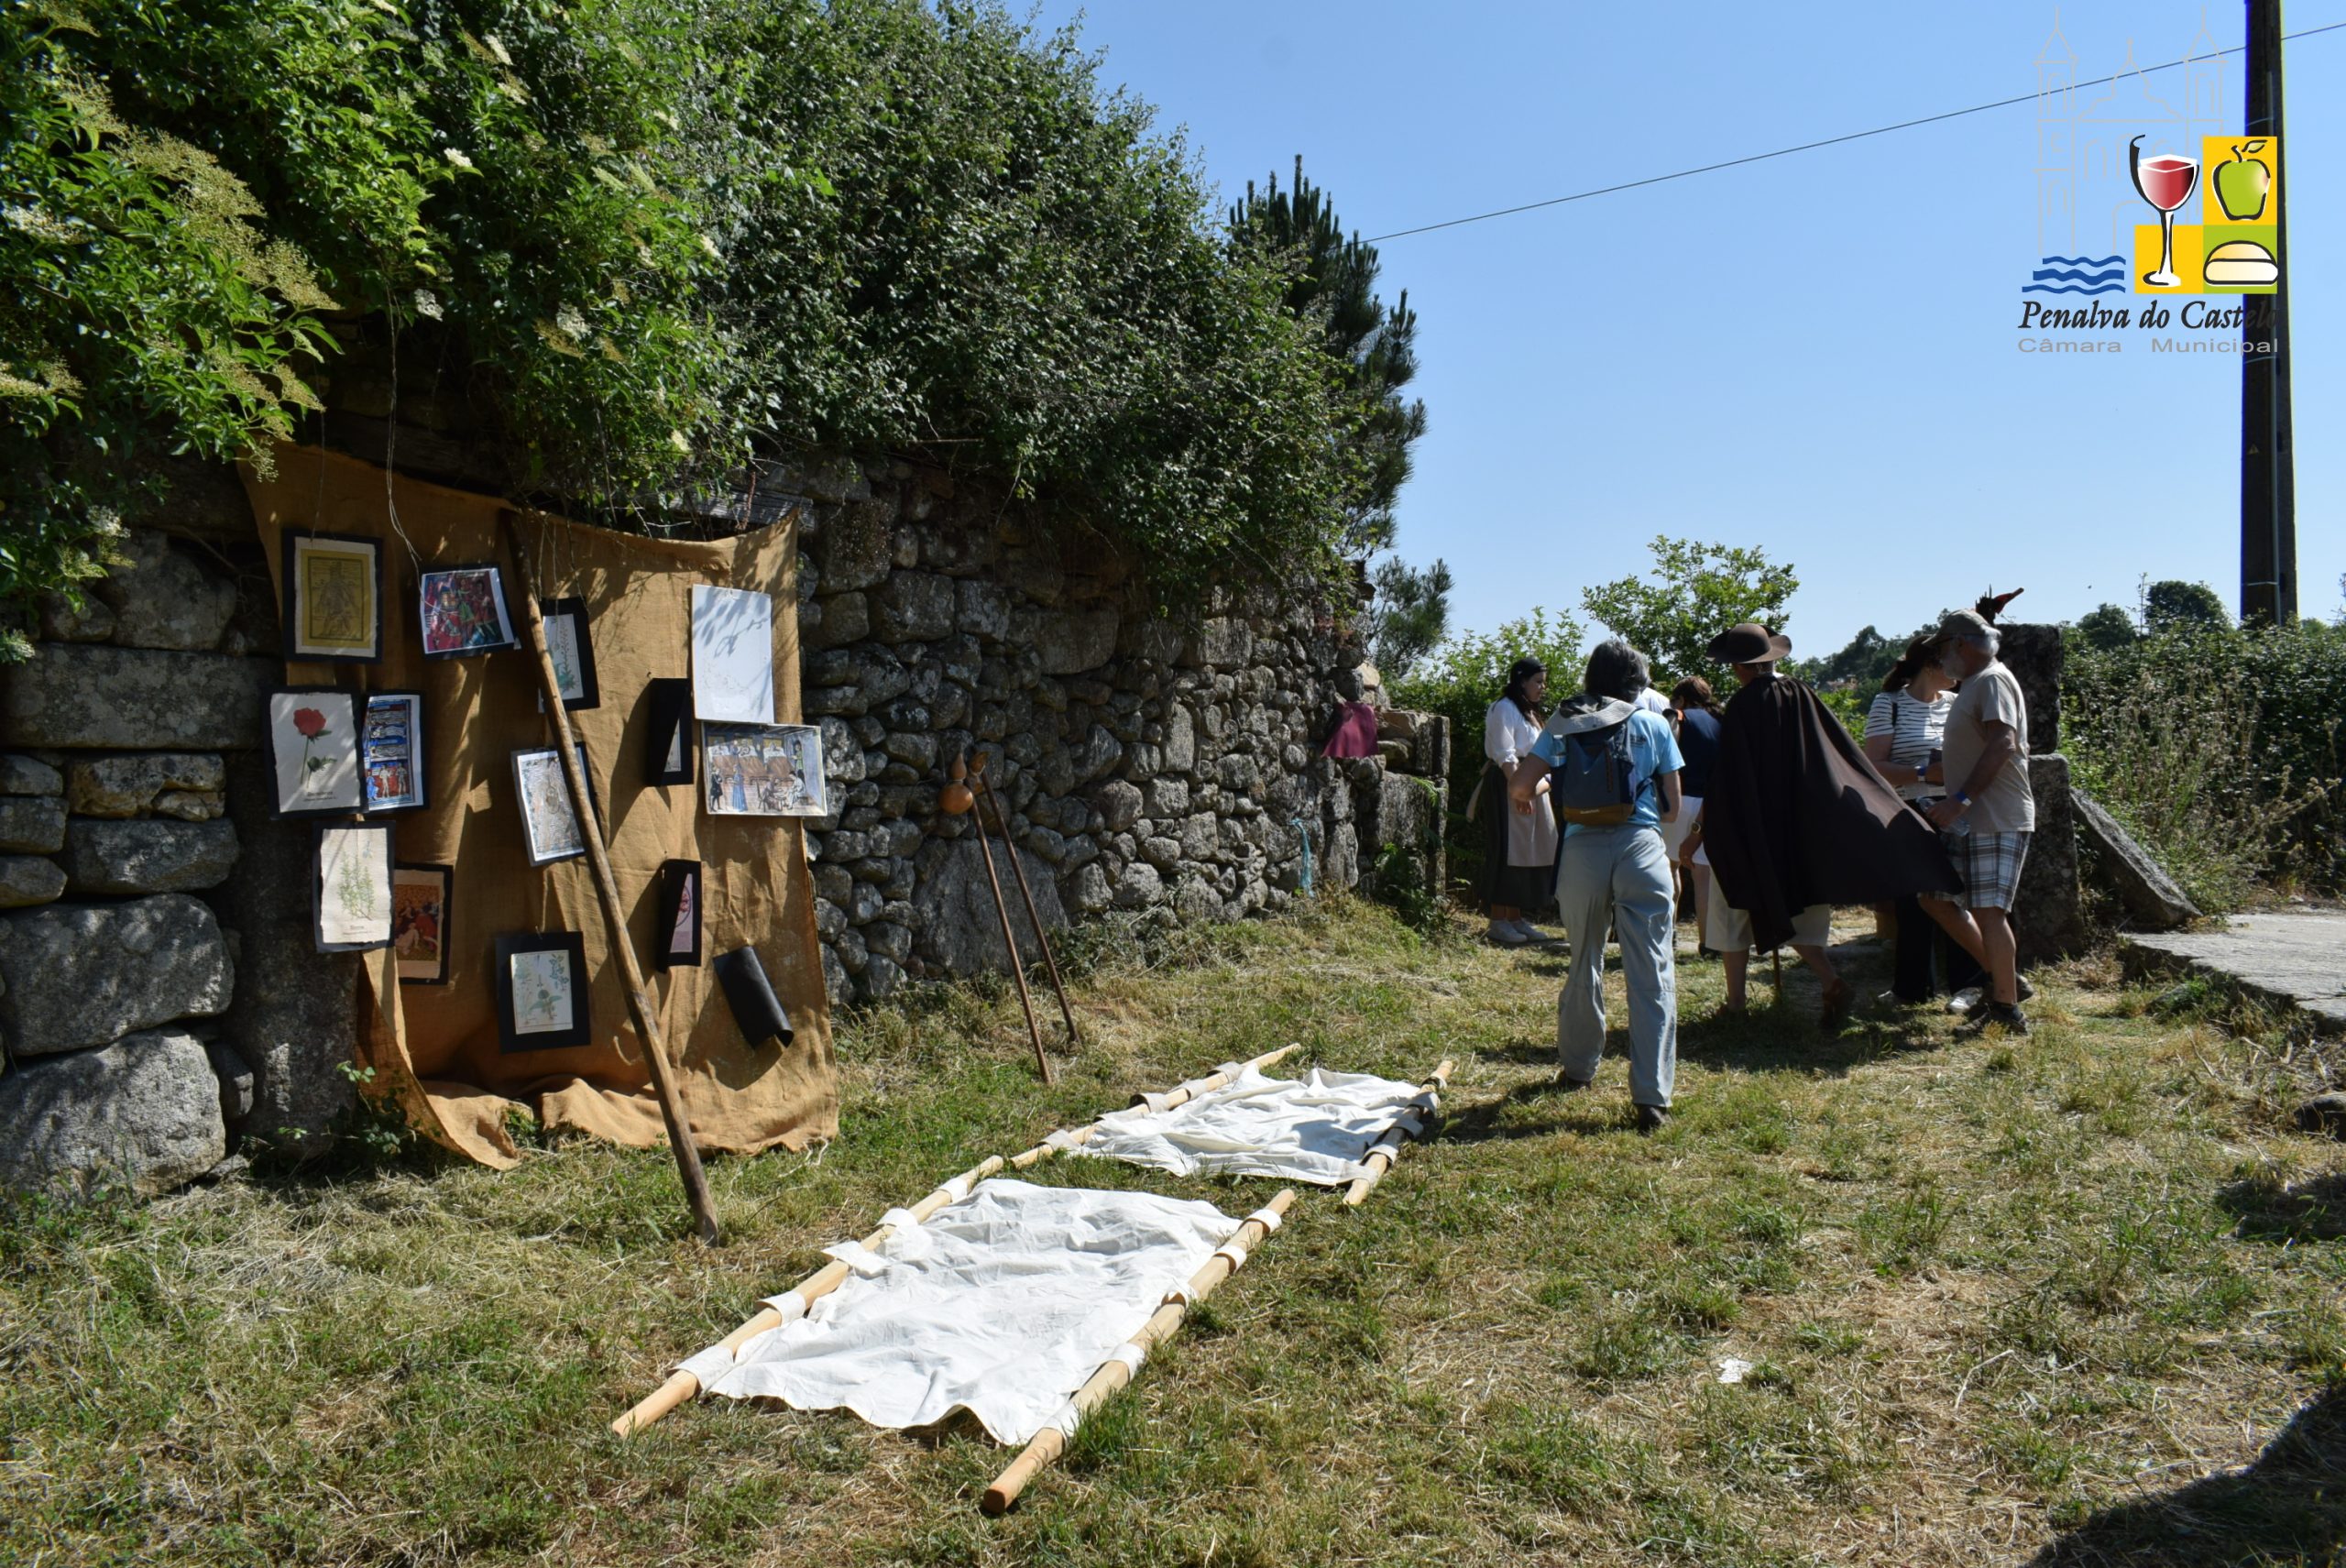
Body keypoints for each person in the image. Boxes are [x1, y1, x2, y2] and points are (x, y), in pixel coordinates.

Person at [1678, 622, 1958, 1026]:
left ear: (1738, 666)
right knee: (1802, 911)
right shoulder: (1801, 693)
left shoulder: (1743, 706)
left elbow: (1730, 778)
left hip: (1752, 829)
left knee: (1731, 910)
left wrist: (1700, 831)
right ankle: (1830, 980)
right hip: (1800, 828)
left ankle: (1736, 1002)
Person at [1507, 640, 1683, 1133]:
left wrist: (1544, 790)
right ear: (1636, 682)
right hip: (1640, 848)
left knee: (1584, 958)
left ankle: (1579, 1067)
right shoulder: (1654, 724)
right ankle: (1651, 1096)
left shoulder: (1564, 721)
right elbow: (1672, 809)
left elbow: (1520, 785)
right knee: (1651, 967)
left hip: (1582, 850)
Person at [1920, 609, 2036, 1035]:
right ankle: (2005, 978)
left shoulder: (1992, 680)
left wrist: (1960, 800)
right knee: (1934, 899)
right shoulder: (1975, 684)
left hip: (1994, 815)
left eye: (1941, 646)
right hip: (1970, 818)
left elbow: (2004, 742)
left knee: (1989, 911)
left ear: (1960, 643)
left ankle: (2006, 1010)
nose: (1940, 657)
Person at [1865, 634, 1985, 1005]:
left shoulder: (1957, 703)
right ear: (1932, 665)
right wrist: (1922, 773)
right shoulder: (1889, 703)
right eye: (1951, 660)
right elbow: (1874, 767)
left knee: (1956, 897)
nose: (1958, 669)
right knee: (1913, 900)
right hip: (1910, 812)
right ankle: (1912, 988)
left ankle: (1969, 986)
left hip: (1956, 809)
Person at [1475, 657, 1559, 946]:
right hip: (1510, 781)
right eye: (1538, 681)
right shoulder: (1504, 708)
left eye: (1543, 682)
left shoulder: (1528, 712)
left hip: (1528, 781)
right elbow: (1506, 754)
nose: (1542, 687)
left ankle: (1515, 917)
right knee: (1508, 848)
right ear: (1521, 681)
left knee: (1526, 850)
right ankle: (1498, 920)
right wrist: (1519, 790)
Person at [1667, 676, 1724, 947]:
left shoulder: (1678, 717)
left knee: (1668, 868)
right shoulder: (1720, 720)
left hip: (1679, 798)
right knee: (1703, 876)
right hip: (1710, 804)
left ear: (1681, 699)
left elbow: (1665, 757)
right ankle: (1707, 942)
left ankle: (1668, 934)